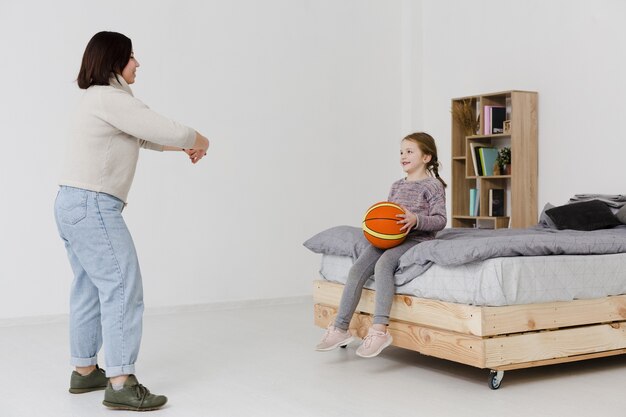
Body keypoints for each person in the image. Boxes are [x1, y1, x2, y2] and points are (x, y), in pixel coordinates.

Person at [54, 31, 210, 411]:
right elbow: (161, 127)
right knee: (123, 288)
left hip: (71, 203)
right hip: (93, 205)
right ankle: (121, 381)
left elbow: (142, 137)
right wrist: (198, 139)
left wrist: (181, 148)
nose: (137, 63)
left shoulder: (96, 100)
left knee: (90, 288)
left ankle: (85, 370)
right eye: (132, 57)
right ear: (115, 63)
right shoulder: (111, 97)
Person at [315, 132, 447, 358]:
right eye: (401, 152)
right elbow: (386, 215)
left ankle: (379, 330)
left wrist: (416, 220)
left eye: (409, 151)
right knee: (357, 268)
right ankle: (340, 328)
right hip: (390, 238)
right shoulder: (396, 185)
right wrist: (376, 228)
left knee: (383, 266)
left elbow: (441, 220)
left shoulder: (432, 186)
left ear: (426, 157)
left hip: (415, 238)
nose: (403, 156)